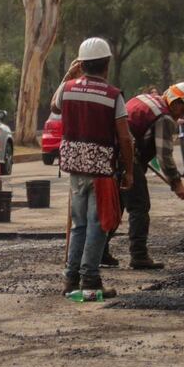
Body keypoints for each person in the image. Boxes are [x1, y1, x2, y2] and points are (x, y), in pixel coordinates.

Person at [51, 38, 135, 295]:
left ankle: (70, 279)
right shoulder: (113, 96)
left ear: (82, 63)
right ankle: (90, 279)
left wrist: (68, 75)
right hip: (101, 172)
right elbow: (124, 137)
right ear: (107, 64)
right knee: (99, 224)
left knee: (79, 225)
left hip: (75, 168)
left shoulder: (67, 88)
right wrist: (129, 170)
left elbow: (54, 105)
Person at [122, 82, 184, 269]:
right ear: (176, 101)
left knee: (115, 205)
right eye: (183, 109)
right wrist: (177, 183)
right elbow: (164, 155)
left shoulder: (147, 99)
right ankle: (139, 256)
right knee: (140, 206)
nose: (182, 115)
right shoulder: (164, 118)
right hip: (124, 159)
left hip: (113, 155)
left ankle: (101, 253)